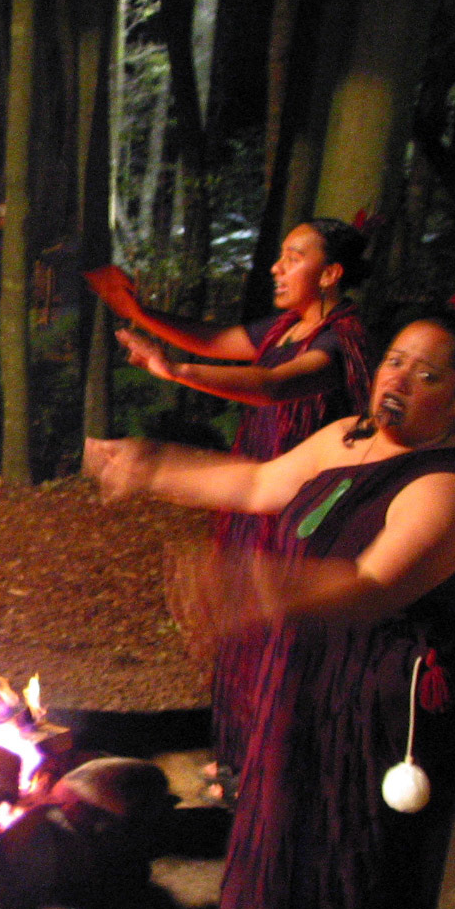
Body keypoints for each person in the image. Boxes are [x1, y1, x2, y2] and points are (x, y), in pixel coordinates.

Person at [85, 308, 455, 909]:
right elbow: (257, 481)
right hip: (311, 674)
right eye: (396, 359)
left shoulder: (450, 487)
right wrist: (152, 466)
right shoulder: (345, 438)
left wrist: (255, 586)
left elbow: (374, 584)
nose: (397, 377)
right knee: (291, 828)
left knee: (353, 846)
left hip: (382, 700)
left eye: (427, 373)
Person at [86, 219, 372, 802]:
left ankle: (287, 767)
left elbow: (271, 386)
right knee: (246, 633)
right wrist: (137, 312)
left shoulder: (343, 338)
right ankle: (243, 757)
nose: (277, 266)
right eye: (281, 254)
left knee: (285, 632)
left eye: (294, 256)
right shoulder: (287, 327)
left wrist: (176, 371)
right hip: (255, 489)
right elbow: (216, 340)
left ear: (332, 273)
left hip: (307, 505)